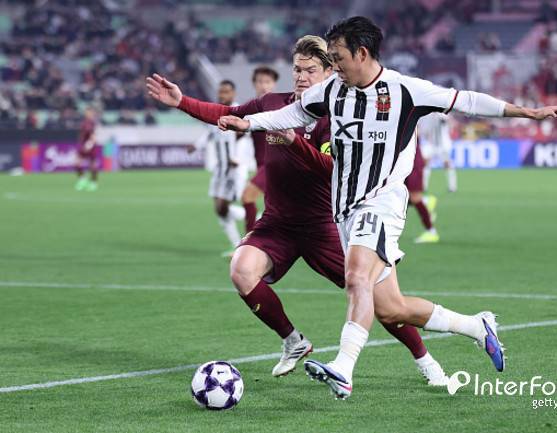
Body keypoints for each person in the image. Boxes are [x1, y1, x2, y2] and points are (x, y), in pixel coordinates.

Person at [218, 16, 557, 400]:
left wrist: (528, 113)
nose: (334, 66)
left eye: (338, 57)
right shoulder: (333, 91)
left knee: (356, 277)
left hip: (382, 202)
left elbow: (466, 100)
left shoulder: (406, 90)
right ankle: (476, 326)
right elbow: (292, 115)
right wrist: (248, 124)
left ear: (361, 53)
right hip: (345, 209)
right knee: (391, 308)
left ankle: (343, 368)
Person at [146, 36, 449, 387]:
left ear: (330, 73)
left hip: (325, 226)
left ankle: (426, 361)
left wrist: (294, 142)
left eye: (311, 70)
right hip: (278, 223)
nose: (302, 76)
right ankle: (293, 341)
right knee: (242, 270)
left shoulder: (339, 115)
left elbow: (335, 169)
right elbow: (230, 115)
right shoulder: (273, 105)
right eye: (297, 69)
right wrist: (181, 101)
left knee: (383, 303)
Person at [187, 80, 249, 256]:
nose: (222, 95)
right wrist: (196, 146)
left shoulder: (239, 113)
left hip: (234, 169)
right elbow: (209, 132)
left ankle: (255, 217)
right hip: (220, 168)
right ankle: (236, 245)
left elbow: (244, 137)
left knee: (223, 207)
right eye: (220, 92)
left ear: (233, 93)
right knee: (219, 209)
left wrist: (237, 158)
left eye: (226, 92)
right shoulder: (215, 112)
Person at [241, 66, 279, 232]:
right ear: (254, 84)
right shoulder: (250, 108)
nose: (264, 86)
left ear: (274, 84)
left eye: (267, 82)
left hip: (274, 165)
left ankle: (249, 240)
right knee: (275, 209)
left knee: (247, 196)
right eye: (260, 82)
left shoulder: (281, 108)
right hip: (261, 164)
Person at [404, 135, 440, 243]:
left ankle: (431, 231)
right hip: (404, 162)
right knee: (402, 197)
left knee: (414, 198)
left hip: (412, 163)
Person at [74, 108, 101, 192]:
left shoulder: (91, 123)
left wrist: (89, 145)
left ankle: (93, 183)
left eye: (90, 113)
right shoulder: (85, 122)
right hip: (83, 146)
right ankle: (82, 180)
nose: (88, 114)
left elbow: (93, 136)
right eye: (87, 112)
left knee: (92, 164)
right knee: (77, 163)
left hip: (89, 146)